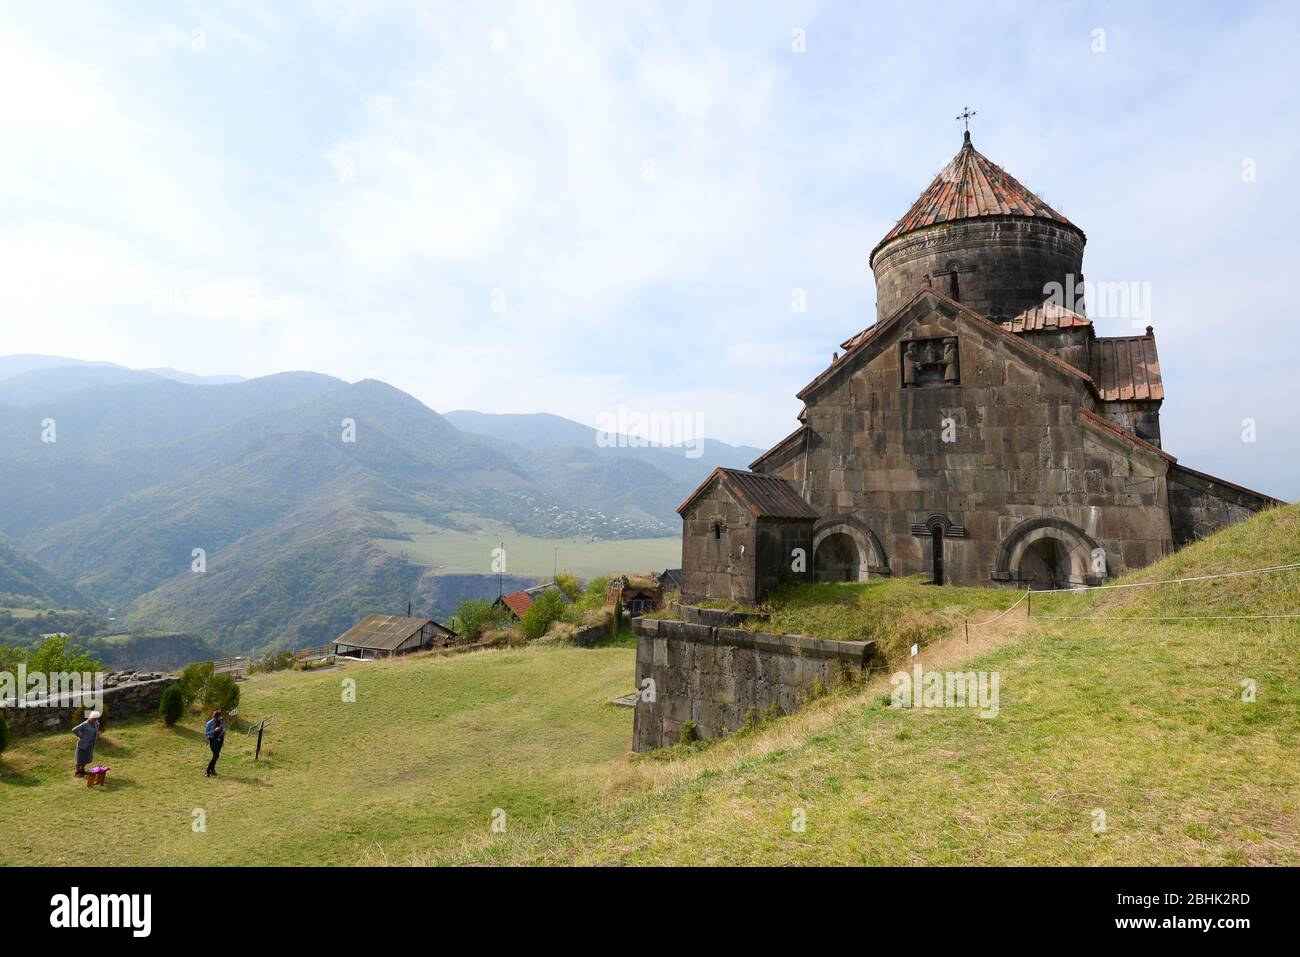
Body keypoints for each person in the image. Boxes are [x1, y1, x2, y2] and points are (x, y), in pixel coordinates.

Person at [71, 710, 101, 777]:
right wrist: (81, 736)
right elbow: (74, 730)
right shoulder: (85, 724)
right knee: (79, 759)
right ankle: (77, 772)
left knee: (87, 758)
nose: (96, 720)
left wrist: (96, 733)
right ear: (90, 717)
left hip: (91, 745)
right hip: (83, 744)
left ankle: (82, 770)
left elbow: (97, 728)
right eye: (94, 719)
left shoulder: (96, 723)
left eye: (97, 719)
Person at [204, 710, 225, 778]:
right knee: (215, 755)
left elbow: (224, 728)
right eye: (219, 716)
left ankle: (212, 770)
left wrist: (222, 730)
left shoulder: (221, 721)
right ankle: (207, 771)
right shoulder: (209, 723)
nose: (220, 717)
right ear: (216, 717)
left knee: (217, 755)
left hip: (220, 740)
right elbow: (206, 733)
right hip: (213, 740)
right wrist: (214, 730)